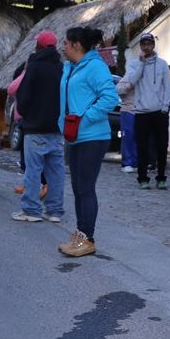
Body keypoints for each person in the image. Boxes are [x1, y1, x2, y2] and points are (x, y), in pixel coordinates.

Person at [57, 27, 119, 257]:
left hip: (93, 137)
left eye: (65, 42)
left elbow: (111, 98)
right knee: (77, 187)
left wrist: (84, 119)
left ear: (76, 45)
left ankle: (88, 239)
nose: (63, 47)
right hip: (74, 136)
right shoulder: (71, 68)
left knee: (85, 187)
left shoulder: (95, 66)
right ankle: (80, 236)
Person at [12, 31, 65, 222]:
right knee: (56, 172)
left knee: (33, 170)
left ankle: (31, 211)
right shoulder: (62, 67)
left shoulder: (34, 66)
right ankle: (54, 211)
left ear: (40, 46)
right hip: (57, 128)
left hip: (35, 127)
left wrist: (26, 114)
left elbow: (23, 97)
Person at [127, 33, 170, 190]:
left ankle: (161, 177)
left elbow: (167, 86)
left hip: (159, 112)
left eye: (149, 44)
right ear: (140, 46)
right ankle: (142, 178)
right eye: (143, 44)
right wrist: (141, 63)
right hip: (141, 112)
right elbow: (132, 82)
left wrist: (165, 107)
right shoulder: (134, 64)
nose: (146, 47)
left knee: (161, 147)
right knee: (142, 147)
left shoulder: (162, 64)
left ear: (153, 45)